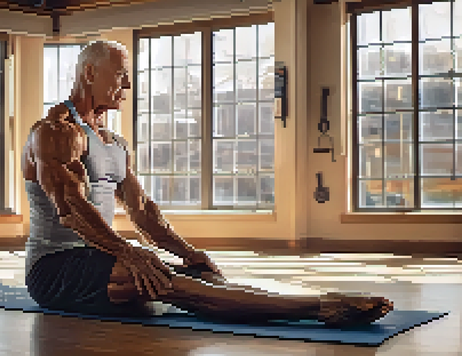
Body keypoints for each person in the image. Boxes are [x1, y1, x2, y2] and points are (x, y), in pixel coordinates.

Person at [22, 40, 393, 327]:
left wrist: (187, 253)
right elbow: (70, 208)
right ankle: (321, 307)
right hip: (56, 267)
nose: (129, 84)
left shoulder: (114, 142)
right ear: (89, 73)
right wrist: (128, 252)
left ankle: (304, 300)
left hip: (102, 255)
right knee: (172, 286)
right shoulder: (55, 131)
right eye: (121, 75)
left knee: (201, 276)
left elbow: (142, 210)